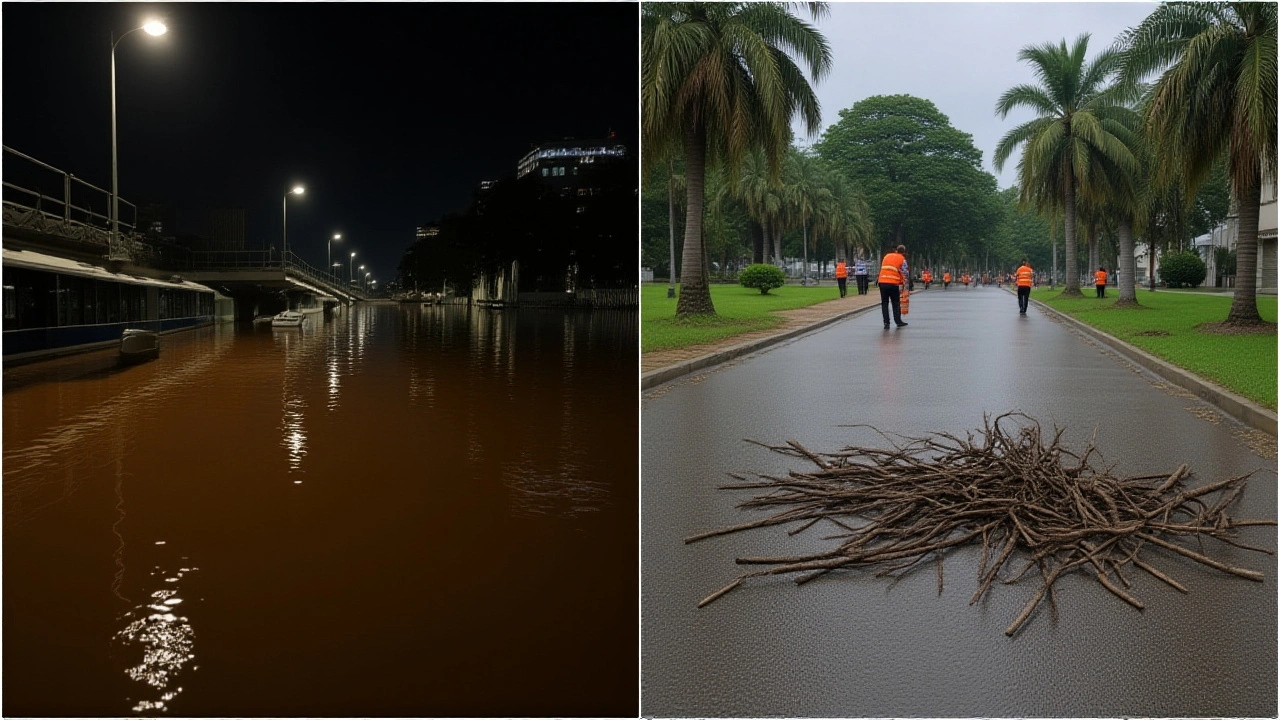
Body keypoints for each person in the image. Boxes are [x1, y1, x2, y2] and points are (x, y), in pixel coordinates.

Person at [878, 244, 909, 329]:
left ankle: (886, 323)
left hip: (882, 282)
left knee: (884, 303)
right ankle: (898, 321)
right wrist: (905, 283)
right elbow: (905, 272)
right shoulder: (902, 259)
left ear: (896, 250)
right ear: (903, 252)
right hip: (893, 283)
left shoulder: (887, 256)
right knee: (895, 303)